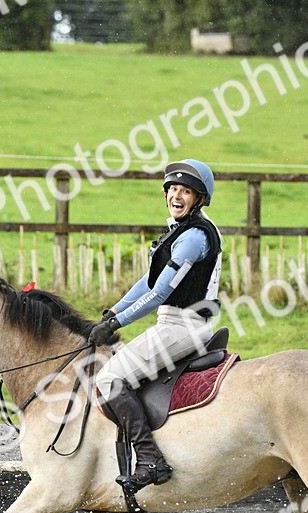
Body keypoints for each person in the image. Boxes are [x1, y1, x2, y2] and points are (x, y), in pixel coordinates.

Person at [87, 159, 223, 491]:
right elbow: (148, 281)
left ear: (199, 198)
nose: (176, 196)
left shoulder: (194, 238)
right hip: (179, 323)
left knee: (110, 378)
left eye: (185, 191)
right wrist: (114, 311)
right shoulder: (181, 231)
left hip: (182, 326)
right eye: (172, 189)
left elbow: (160, 293)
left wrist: (117, 323)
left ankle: (151, 459)